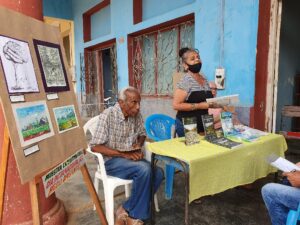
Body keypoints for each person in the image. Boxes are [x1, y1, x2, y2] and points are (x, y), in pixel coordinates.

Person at [90, 86, 164, 225]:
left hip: (128, 159)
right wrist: (123, 155)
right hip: (111, 160)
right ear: (121, 102)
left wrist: (138, 144)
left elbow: (142, 133)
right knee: (144, 169)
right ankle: (135, 217)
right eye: (134, 102)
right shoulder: (108, 115)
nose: (138, 107)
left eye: (139, 102)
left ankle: (126, 209)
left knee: (158, 173)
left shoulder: (135, 114)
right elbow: (95, 146)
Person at [173, 47, 214, 137]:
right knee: (192, 150)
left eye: (198, 57)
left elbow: (206, 101)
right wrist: (199, 106)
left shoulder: (204, 79)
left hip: (205, 122)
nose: (197, 60)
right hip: (188, 123)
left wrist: (219, 102)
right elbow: (176, 105)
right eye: (192, 59)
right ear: (185, 65)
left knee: (207, 149)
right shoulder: (186, 81)